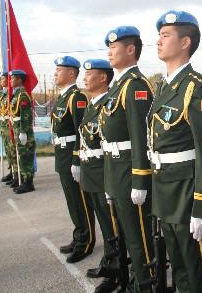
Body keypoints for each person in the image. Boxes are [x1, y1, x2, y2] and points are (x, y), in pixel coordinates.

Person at [148, 10, 202, 293]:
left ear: (185, 42)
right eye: (159, 36)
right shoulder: (166, 86)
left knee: (193, 261)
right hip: (165, 185)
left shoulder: (196, 88)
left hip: (186, 189)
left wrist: (201, 202)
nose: (158, 42)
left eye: (165, 36)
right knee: (177, 261)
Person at [99, 25, 154, 292]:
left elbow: (140, 136)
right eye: (108, 48)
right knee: (128, 235)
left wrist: (140, 179)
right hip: (116, 170)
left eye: (114, 47)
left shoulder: (135, 86)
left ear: (131, 49)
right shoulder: (118, 86)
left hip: (129, 171)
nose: (109, 52)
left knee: (139, 236)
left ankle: (145, 284)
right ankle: (133, 279)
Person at [79, 59, 121, 293]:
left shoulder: (108, 103)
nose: (84, 79)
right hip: (91, 172)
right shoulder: (92, 104)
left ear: (103, 78)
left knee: (113, 226)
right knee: (105, 225)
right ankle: (108, 262)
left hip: (104, 172)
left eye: (89, 74)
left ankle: (116, 272)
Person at [52, 56, 95, 263]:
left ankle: (86, 241)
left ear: (71, 73)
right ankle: (79, 234)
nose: (55, 73)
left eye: (59, 70)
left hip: (71, 155)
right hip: (62, 154)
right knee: (72, 201)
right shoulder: (63, 97)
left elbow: (81, 131)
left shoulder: (76, 97)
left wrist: (77, 159)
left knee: (80, 202)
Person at [8, 69, 36, 194]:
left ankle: (28, 183)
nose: (10, 81)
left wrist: (23, 131)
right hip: (18, 129)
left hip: (23, 132)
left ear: (19, 79)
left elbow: (26, 115)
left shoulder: (22, 95)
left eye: (13, 78)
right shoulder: (17, 94)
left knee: (26, 157)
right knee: (21, 156)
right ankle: (24, 180)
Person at [0, 71, 14, 184]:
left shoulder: (10, 94)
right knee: (8, 151)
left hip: (9, 127)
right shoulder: (3, 94)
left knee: (13, 151)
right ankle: (12, 171)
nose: (0, 81)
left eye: (2, 79)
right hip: (3, 126)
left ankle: (17, 173)